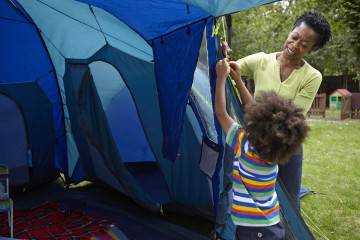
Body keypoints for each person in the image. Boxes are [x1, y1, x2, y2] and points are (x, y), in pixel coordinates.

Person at [222, 11, 331, 212]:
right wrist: (225, 53)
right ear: (290, 32)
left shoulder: (312, 76)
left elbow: (289, 122)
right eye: (294, 37)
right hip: (256, 143)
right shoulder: (262, 60)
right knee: (254, 197)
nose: (295, 45)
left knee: (290, 200)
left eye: (304, 45)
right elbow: (229, 67)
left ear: (313, 49)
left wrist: (239, 82)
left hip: (287, 146)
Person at [215, 58, 310, 240]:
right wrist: (238, 80)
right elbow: (252, 113)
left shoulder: (245, 145)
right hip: (272, 223)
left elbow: (221, 113)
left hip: (252, 230)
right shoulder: (275, 153)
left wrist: (221, 78)